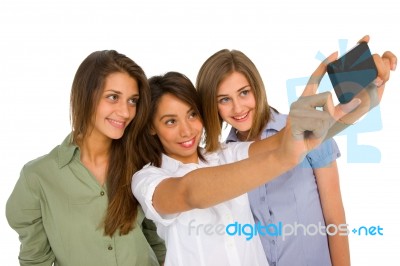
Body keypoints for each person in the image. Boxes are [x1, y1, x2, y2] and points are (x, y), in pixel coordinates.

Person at [130, 49, 367, 265]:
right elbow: (189, 192)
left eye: (192, 115)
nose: (187, 130)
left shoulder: (227, 153)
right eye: (170, 121)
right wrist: (285, 155)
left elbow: (278, 142)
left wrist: (364, 98)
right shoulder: (146, 179)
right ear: (151, 126)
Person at [195, 36, 396, 266]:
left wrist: (376, 82)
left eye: (244, 93)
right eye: (224, 99)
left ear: (257, 89)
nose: (238, 107)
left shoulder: (306, 128)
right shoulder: (221, 159)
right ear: (212, 104)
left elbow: (335, 218)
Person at [6, 50, 166, 266]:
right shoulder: (38, 178)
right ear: (85, 95)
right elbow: (35, 260)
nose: (126, 112)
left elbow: (159, 242)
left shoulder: (142, 164)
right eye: (113, 97)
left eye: (132, 101)